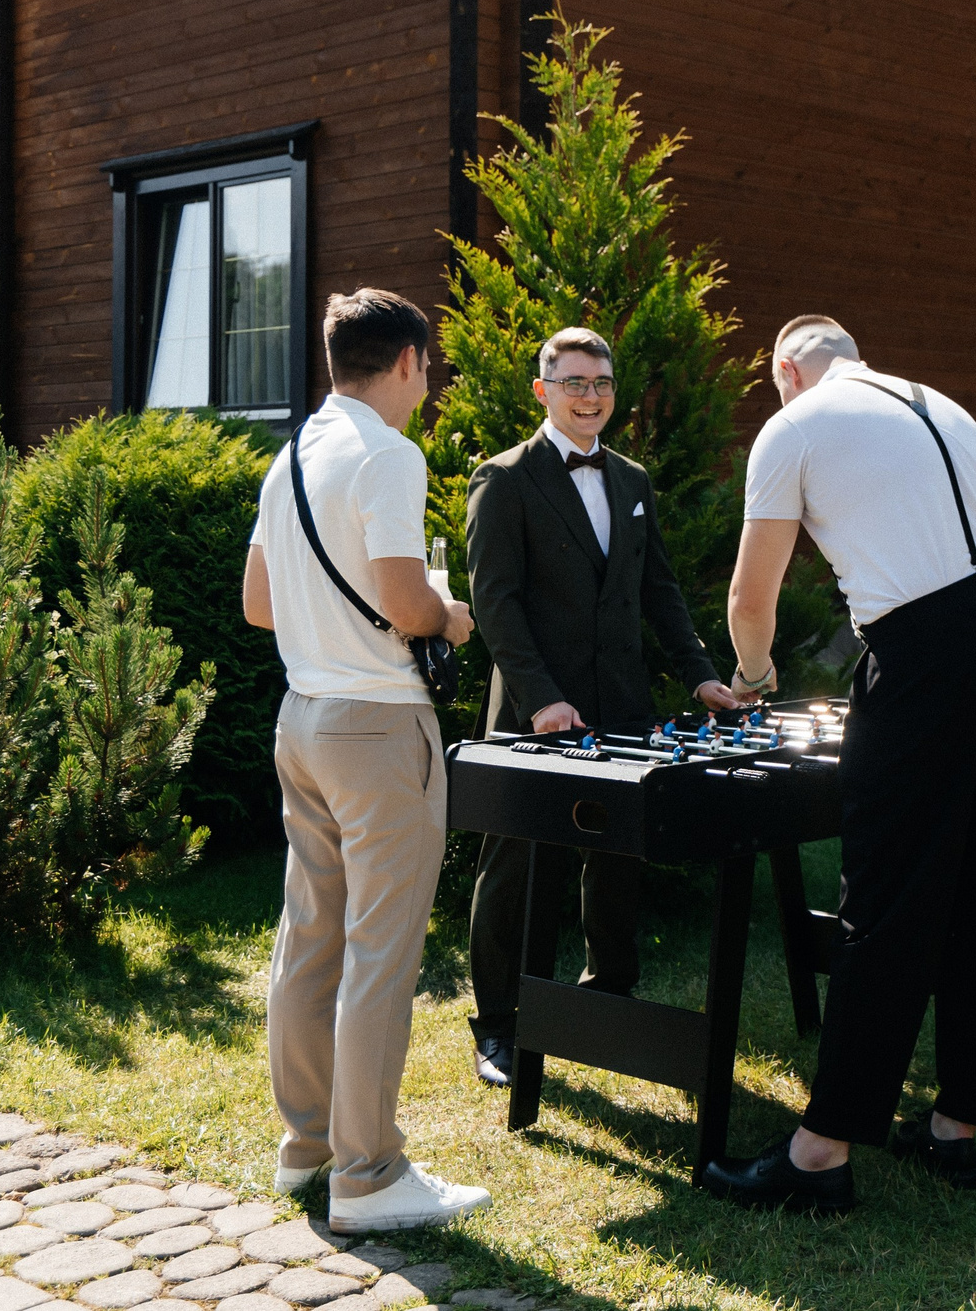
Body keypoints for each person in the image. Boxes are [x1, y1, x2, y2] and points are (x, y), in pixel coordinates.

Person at [705, 315, 976, 1214]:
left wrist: (752, 673)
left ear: (787, 368)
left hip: (923, 651)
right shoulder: (947, 406)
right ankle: (954, 1129)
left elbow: (751, 592)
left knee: (887, 895)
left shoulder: (794, 424)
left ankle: (820, 1154)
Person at [240, 287, 492, 1233]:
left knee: (310, 936)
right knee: (381, 951)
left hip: (301, 716)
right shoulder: (389, 454)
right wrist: (448, 611)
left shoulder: (292, 453)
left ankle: (306, 1147)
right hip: (379, 726)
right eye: (426, 366)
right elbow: (401, 598)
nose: (426, 383)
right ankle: (370, 1174)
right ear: (405, 363)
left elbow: (259, 603)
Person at [463, 327, 744, 1087]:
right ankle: (498, 1024)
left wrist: (700, 675)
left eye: (603, 383)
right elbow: (496, 603)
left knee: (619, 853)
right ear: (542, 390)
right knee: (518, 865)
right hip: (536, 712)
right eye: (575, 382)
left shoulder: (633, 479)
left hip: (621, 706)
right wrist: (543, 698)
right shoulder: (503, 478)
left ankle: (608, 994)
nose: (591, 397)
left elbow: (661, 591)